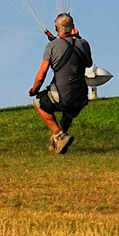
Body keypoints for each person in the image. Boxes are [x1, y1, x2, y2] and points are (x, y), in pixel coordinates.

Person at [29, 14, 93, 154]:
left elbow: (41, 75)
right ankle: (58, 143)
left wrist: (34, 89)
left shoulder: (52, 46)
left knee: (38, 102)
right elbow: (89, 63)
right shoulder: (84, 43)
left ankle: (59, 134)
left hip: (62, 96)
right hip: (81, 96)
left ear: (56, 28)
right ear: (73, 28)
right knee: (69, 111)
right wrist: (79, 38)